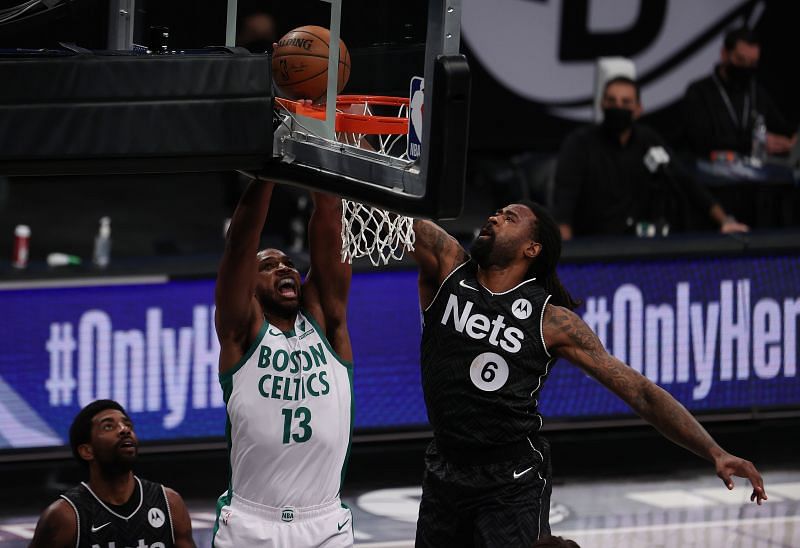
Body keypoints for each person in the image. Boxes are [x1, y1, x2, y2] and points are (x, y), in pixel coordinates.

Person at [410, 202, 767, 546]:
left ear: (531, 248)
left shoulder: (552, 320)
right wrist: (356, 150)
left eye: (509, 217)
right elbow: (395, 214)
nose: (494, 218)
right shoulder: (450, 267)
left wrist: (713, 451)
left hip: (510, 481)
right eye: (497, 212)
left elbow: (640, 392)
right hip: (445, 467)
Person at [212, 178, 354, 547]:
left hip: (325, 521)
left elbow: (330, 217)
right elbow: (240, 245)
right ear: (251, 286)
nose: (283, 268)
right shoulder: (241, 333)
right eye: (269, 265)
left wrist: (323, 164)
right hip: (251, 522)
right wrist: (267, 176)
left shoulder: (328, 322)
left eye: (289, 263)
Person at [554, 76, 748, 240]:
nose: (618, 107)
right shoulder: (580, 143)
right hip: (594, 244)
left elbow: (686, 182)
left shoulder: (647, 140)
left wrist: (725, 221)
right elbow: (564, 202)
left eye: (625, 102)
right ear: (602, 104)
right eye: (611, 101)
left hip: (639, 243)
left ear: (638, 109)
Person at [29, 399, 195, 548]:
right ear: (87, 451)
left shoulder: (169, 503)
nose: (124, 430)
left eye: (127, 425)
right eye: (108, 426)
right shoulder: (66, 516)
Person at [683, 27, 797, 160]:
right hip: (709, 173)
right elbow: (701, 141)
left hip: (752, 172)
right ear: (725, 54)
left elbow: (780, 126)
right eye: (740, 60)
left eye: (752, 63)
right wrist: (754, 143)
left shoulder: (756, 92)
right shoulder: (699, 92)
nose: (746, 68)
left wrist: (793, 137)